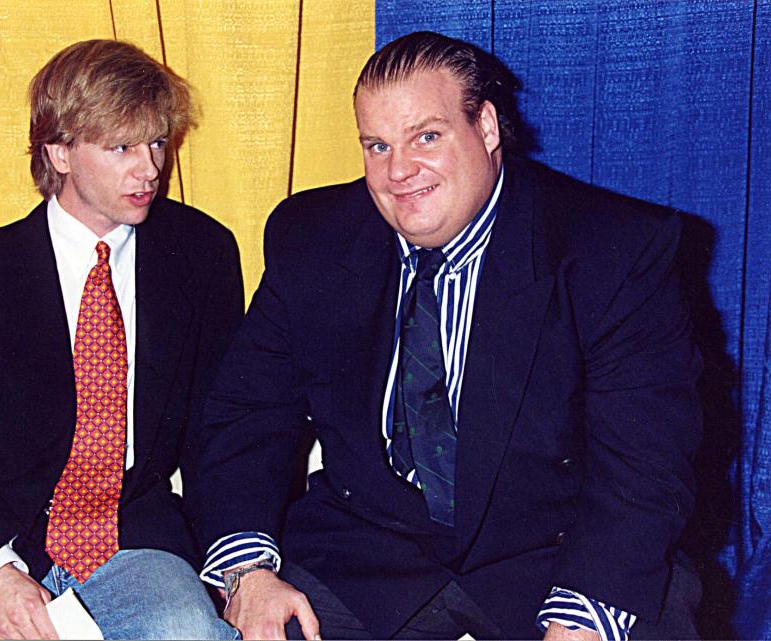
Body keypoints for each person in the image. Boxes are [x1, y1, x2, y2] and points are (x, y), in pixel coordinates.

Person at [193, 31, 702, 640]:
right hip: (366, 556)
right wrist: (248, 574)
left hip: (557, 555)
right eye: (377, 145)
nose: (399, 171)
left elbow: (644, 468)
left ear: (486, 128)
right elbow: (248, 414)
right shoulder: (314, 237)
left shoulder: (612, 250)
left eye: (426, 137)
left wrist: (582, 618)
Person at [0, 39, 242, 640]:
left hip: (132, 540)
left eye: (157, 141)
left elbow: (225, 432)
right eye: (122, 147)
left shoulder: (201, 255)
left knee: (187, 630)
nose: (150, 168)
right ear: (58, 151)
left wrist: (240, 571)